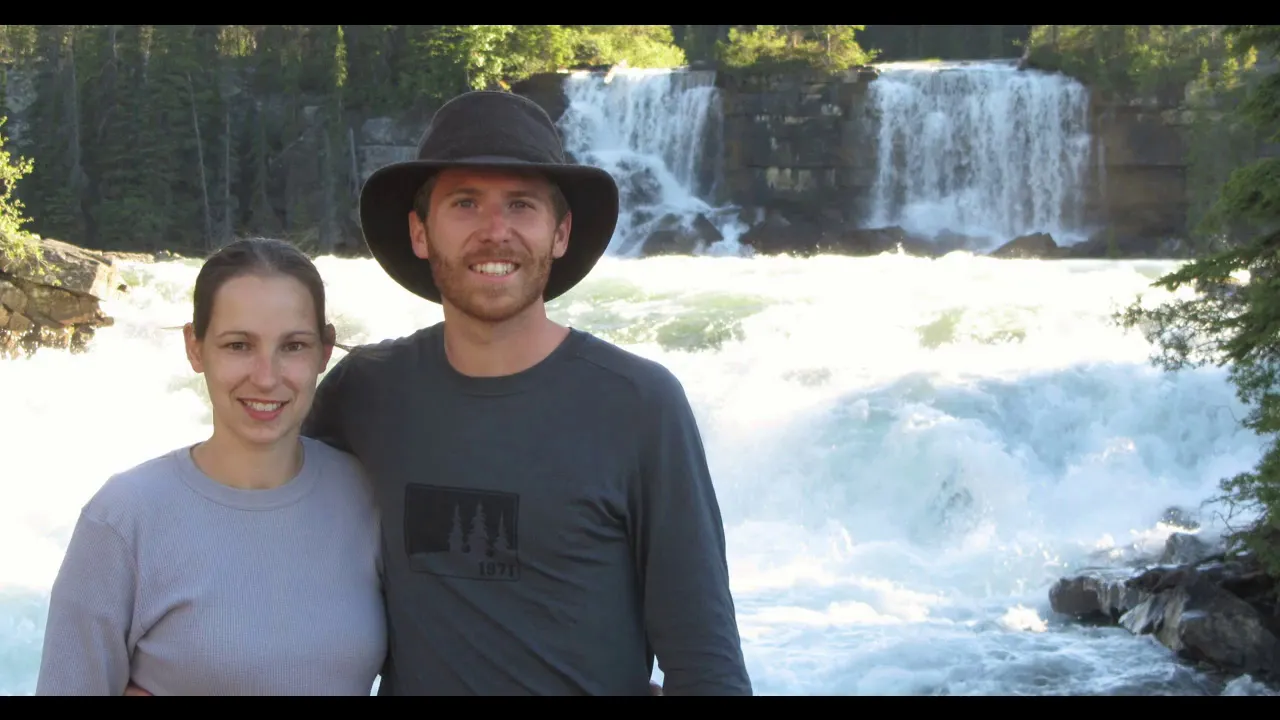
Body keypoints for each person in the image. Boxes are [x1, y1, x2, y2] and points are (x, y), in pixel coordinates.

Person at [299, 89, 753, 696]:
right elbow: (265, 531)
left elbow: (705, 657)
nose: (495, 232)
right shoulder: (366, 390)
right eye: (464, 203)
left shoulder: (639, 404)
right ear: (419, 231)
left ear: (560, 233)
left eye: (521, 205)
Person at [35, 238, 386, 696]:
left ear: (324, 350)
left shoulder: (369, 497)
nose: (266, 375)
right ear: (195, 347)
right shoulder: (123, 521)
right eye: (239, 345)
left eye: (293, 346)